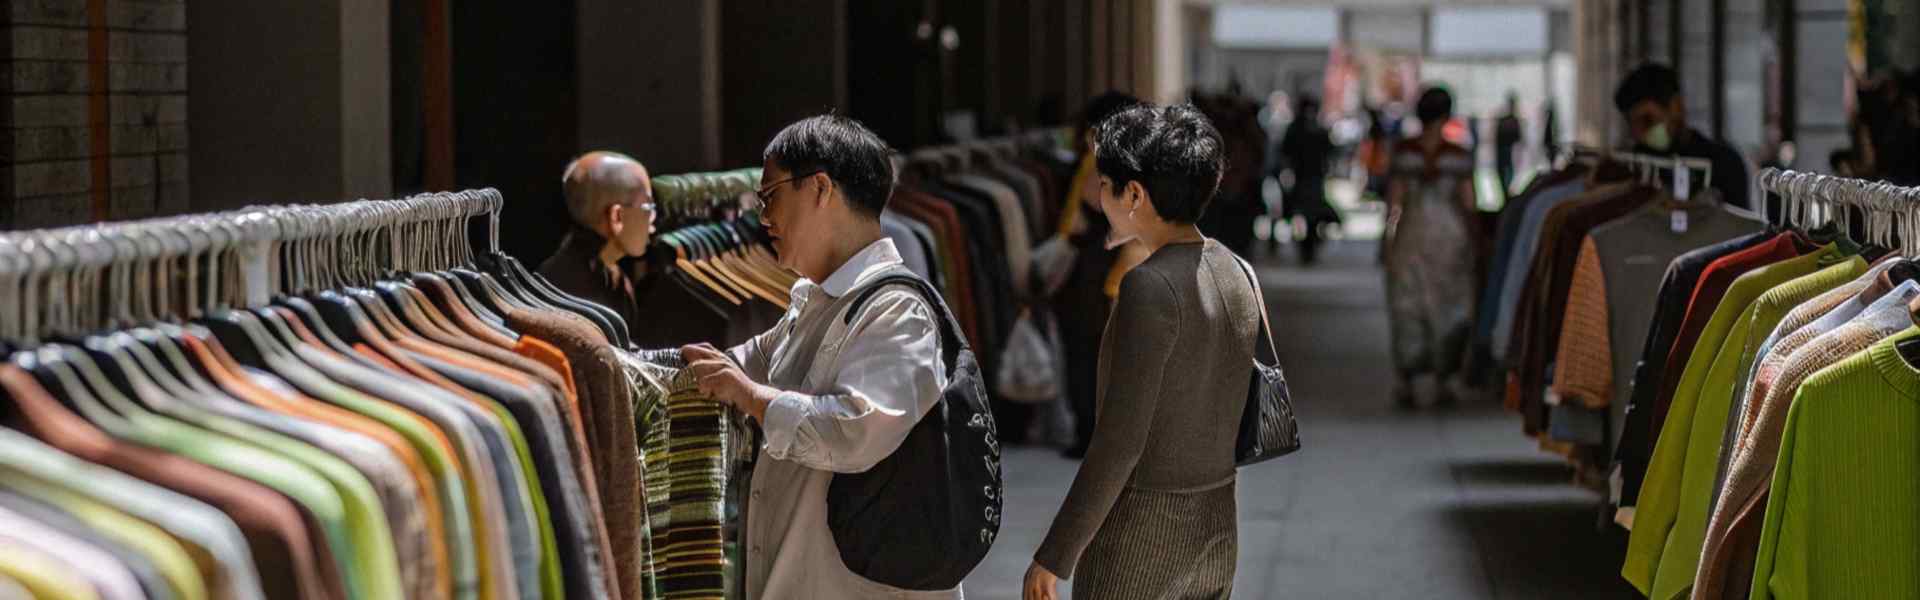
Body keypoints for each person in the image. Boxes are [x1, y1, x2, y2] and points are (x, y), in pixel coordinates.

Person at [674, 115, 959, 599]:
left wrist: (750, 396)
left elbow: (856, 430)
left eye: (770, 196)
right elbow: (742, 363)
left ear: (820, 188)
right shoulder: (816, 300)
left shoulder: (897, 311)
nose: (763, 217)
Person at [1023, 103, 1261, 600]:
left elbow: (1119, 440)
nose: (1095, 196)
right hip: (1218, 518)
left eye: (1103, 185)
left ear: (1134, 193)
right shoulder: (1237, 270)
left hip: (1144, 532)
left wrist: (1055, 553)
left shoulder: (1148, 287)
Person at [1056, 91, 1141, 459]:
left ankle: (1088, 433)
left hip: (1098, 270)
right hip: (1128, 266)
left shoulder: (1101, 162)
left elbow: (1092, 209)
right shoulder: (1141, 159)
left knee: (1087, 353)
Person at [1383, 87, 1479, 407]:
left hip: (1412, 234)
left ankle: (1407, 381)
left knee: (1407, 305)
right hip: (1450, 238)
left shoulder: (1404, 151)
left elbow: (1393, 203)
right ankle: (1444, 380)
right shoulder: (1458, 155)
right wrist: (1477, 238)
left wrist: (1387, 240)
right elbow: (1468, 202)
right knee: (1450, 304)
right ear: (1447, 115)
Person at [538, 150, 656, 332]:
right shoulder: (574, 293)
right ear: (617, 217)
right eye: (648, 206)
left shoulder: (608, 274)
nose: (653, 219)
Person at [1614, 63, 1751, 209]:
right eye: (1632, 125)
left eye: (1648, 120)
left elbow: (1739, 225)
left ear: (1676, 106)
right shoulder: (1634, 167)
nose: (1640, 134)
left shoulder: (1724, 164)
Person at [1277, 93, 1341, 264]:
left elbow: (1285, 152)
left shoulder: (1297, 130)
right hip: (1308, 177)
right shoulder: (1315, 130)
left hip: (1307, 177)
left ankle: (1307, 247)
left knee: (1305, 213)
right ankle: (1308, 246)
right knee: (1308, 213)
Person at [1495, 92, 1525, 197]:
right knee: (1504, 174)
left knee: (1508, 174)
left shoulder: (1512, 120)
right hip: (1504, 153)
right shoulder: (1505, 120)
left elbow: (1519, 137)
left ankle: (1507, 193)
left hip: (1509, 153)